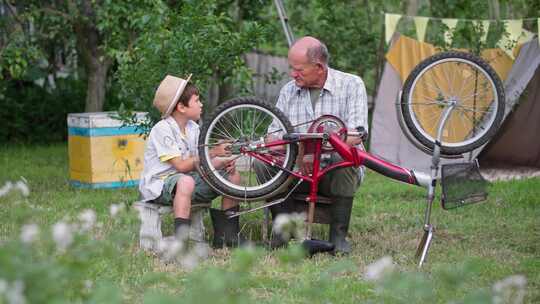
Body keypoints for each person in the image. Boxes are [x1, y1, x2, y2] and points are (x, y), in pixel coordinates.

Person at [267, 36, 369, 254]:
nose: (292, 74)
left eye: (299, 70)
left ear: (319, 67)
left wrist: (313, 151)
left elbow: (355, 135)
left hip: (335, 172)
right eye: (291, 68)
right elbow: (273, 137)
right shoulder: (288, 91)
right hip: (297, 171)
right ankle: (283, 233)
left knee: (345, 155)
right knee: (264, 162)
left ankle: (338, 237)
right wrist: (300, 152)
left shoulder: (351, 84)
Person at [138, 74, 243, 248]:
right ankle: (181, 241)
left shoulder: (193, 128)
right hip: (161, 186)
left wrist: (223, 161)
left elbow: (199, 161)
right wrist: (212, 152)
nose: (201, 104)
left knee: (233, 177)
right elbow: (181, 166)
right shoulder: (162, 129)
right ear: (181, 107)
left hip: (189, 181)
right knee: (185, 181)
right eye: (197, 100)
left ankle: (227, 236)